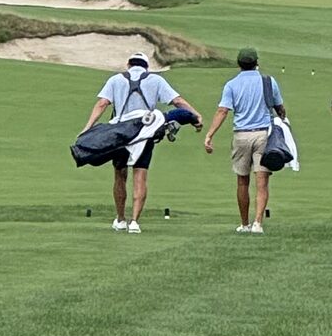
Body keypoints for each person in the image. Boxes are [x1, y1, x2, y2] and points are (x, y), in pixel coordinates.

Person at [83, 52, 201, 234]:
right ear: (146, 66)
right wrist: (196, 115)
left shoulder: (116, 79)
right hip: (145, 133)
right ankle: (134, 222)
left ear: (129, 64)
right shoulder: (156, 80)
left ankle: (121, 219)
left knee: (120, 175)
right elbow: (177, 101)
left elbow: (102, 104)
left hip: (120, 134)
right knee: (140, 175)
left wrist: (87, 128)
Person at [204, 47, 285, 234]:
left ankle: (245, 223)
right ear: (256, 62)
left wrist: (210, 135)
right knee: (262, 181)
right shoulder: (268, 81)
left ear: (239, 64)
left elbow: (222, 111)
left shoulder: (231, 84)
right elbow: (280, 108)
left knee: (242, 181)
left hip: (241, 135)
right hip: (263, 134)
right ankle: (258, 223)